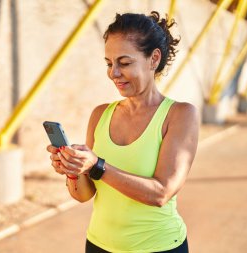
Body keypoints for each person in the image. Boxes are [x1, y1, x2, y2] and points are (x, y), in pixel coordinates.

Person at [47, 11, 199, 253]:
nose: (113, 73)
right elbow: (84, 195)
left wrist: (97, 165)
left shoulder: (180, 115)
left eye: (124, 63)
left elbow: (161, 193)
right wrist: (74, 170)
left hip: (158, 248)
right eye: (109, 63)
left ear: (153, 59)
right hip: (98, 245)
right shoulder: (100, 115)